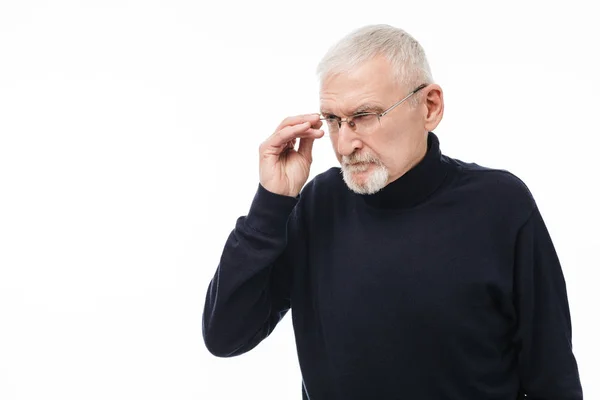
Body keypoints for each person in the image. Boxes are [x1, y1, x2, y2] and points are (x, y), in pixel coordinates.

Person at [202, 24, 583, 399]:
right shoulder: (319, 203)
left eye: (364, 116)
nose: (346, 143)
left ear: (429, 107)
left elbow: (553, 377)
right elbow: (226, 336)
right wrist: (272, 202)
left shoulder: (501, 204)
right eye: (333, 121)